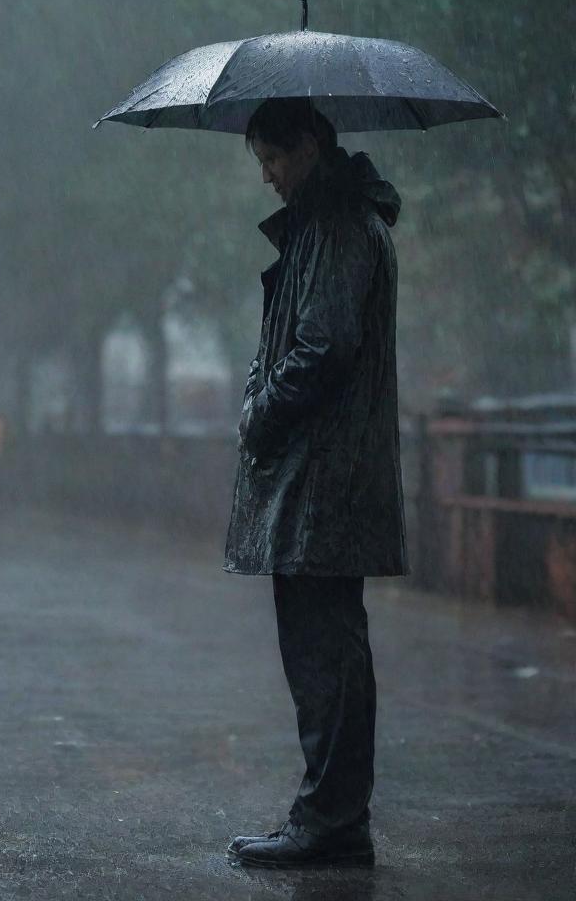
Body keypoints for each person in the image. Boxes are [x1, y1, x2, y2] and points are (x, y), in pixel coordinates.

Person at [222, 97, 409, 868]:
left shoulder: (334, 227)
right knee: (326, 646)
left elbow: (322, 348)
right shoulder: (326, 223)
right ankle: (333, 816)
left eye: (272, 159)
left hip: (323, 475)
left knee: (324, 650)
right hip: (323, 472)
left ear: (308, 146)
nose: (266, 177)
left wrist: (261, 414)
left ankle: (329, 820)